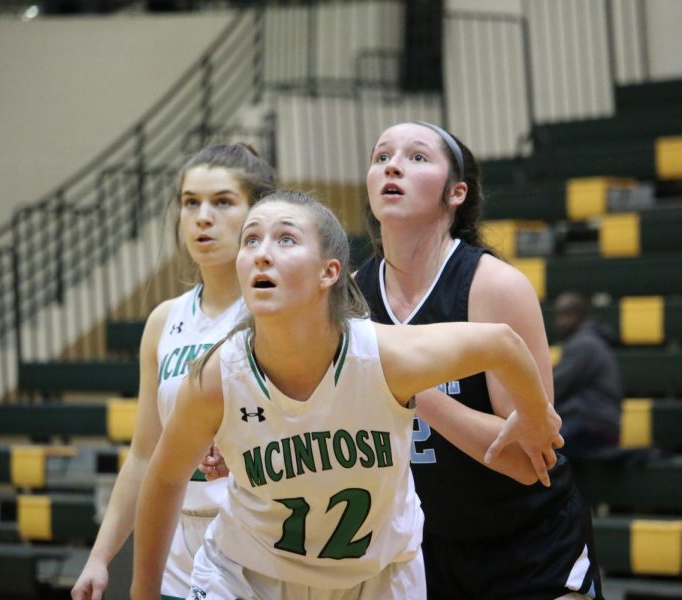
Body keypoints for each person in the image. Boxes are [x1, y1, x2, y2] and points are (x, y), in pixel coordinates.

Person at [130, 190, 563, 600]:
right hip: (249, 577)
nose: (262, 252)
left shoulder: (384, 354)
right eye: (251, 239)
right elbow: (165, 478)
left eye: (285, 239)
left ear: (329, 272)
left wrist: (535, 414)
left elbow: (503, 344)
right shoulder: (216, 377)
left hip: (376, 578)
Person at [355, 121, 604, 599]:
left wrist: (410, 386)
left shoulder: (493, 287)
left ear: (455, 193)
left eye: (417, 157)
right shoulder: (351, 297)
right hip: (422, 554)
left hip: (529, 547)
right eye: (381, 155)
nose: (392, 164)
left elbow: (528, 461)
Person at [71, 143, 276, 600]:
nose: (203, 216)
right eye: (190, 202)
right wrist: (100, 558)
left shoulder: (272, 312)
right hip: (177, 553)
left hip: (256, 547)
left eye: (222, 202)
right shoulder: (164, 320)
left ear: (256, 214)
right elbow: (145, 455)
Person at [552, 292, 623, 461]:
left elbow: (555, 387)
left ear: (582, 316)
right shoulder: (588, 340)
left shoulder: (585, 344)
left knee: (538, 445)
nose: (561, 321)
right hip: (594, 424)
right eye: (559, 315)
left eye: (567, 314)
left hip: (592, 426)